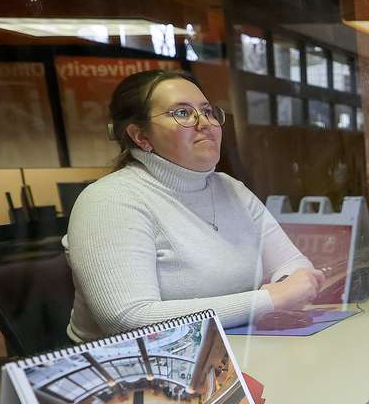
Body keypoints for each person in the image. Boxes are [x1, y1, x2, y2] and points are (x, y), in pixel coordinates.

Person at [67, 70, 324, 342]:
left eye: (208, 111)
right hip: (129, 372)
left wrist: (286, 288)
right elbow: (129, 319)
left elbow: (294, 265)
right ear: (141, 137)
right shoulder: (110, 199)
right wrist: (270, 299)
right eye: (182, 113)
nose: (205, 123)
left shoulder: (231, 188)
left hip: (230, 356)